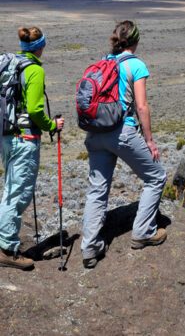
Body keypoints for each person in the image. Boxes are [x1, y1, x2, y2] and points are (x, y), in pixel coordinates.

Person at [81, 20, 167, 268]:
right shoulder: (135, 65)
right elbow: (141, 106)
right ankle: (143, 232)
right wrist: (149, 140)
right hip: (122, 132)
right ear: (136, 41)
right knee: (156, 177)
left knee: (97, 190)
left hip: (95, 134)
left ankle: (89, 248)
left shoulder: (103, 62)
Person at [0, 26, 65, 270]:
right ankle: (7, 249)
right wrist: (52, 125)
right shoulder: (34, 70)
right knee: (17, 194)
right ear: (41, 46)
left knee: (10, 189)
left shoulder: (10, 64)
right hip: (25, 139)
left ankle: (5, 242)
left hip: (7, 137)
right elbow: (37, 110)